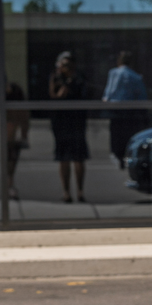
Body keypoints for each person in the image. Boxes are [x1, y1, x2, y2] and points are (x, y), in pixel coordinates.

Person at [49, 51, 89, 203]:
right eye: (64, 64)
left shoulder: (79, 78)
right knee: (63, 158)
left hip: (76, 121)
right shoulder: (56, 77)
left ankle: (80, 191)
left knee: (78, 157)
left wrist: (72, 80)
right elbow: (55, 96)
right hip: (61, 121)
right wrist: (63, 82)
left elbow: (85, 95)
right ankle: (66, 192)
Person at [102, 50, 148, 168]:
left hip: (116, 109)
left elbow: (108, 93)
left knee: (116, 134)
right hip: (129, 110)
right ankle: (125, 155)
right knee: (127, 133)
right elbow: (141, 96)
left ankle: (118, 156)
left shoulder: (114, 73)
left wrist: (106, 102)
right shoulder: (135, 76)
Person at [5, 83, 31, 200]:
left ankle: (10, 185)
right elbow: (25, 124)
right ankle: (9, 184)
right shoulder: (17, 110)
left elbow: (25, 124)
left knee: (11, 161)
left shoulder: (19, 110)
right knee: (10, 162)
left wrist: (23, 137)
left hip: (12, 140)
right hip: (10, 140)